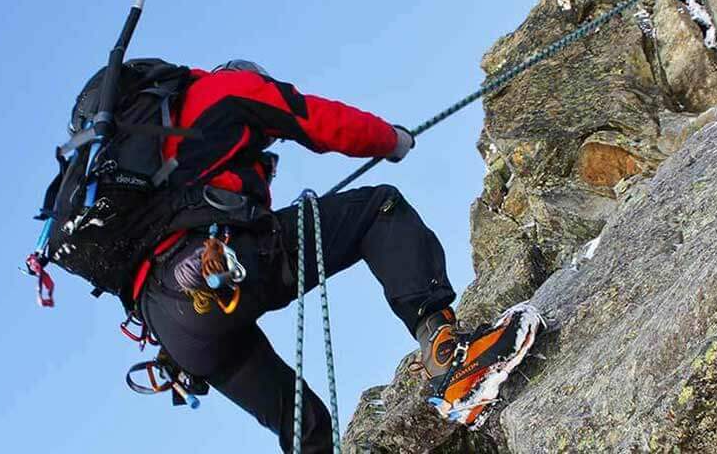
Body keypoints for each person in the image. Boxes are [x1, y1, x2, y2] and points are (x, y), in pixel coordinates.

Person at [131, 60, 542, 452]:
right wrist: (390, 140)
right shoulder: (224, 89)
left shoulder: (144, 156)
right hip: (219, 261)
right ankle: (449, 357)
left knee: (306, 427)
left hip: (174, 329)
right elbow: (317, 119)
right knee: (379, 209)